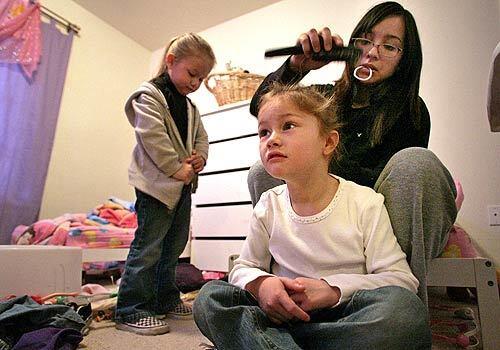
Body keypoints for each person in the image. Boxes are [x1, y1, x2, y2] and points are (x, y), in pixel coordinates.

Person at [247, 1, 457, 305]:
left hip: (368, 221)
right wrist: (296, 67)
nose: (372, 52)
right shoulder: (322, 99)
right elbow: (261, 107)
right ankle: (285, 296)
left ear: (404, 60)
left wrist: (321, 165)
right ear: (352, 44)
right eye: (365, 40)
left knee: (417, 164)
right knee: (260, 170)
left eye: (390, 46)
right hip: (316, 212)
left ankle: (399, 306)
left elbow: (389, 191)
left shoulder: (410, 112)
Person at [193, 83, 431, 349]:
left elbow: (402, 280)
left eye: (288, 126)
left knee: (405, 313)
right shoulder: (268, 205)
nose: (271, 139)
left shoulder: (364, 202)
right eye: (263, 131)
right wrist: (263, 285)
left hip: (344, 316)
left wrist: (332, 291)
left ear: (328, 142)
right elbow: (244, 267)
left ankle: (271, 344)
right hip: (279, 318)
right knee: (210, 297)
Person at [114, 33, 215, 336]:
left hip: (182, 187)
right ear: (171, 61)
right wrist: (175, 167)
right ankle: (131, 308)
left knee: (174, 246)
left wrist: (199, 159)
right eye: (192, 74)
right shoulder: (149, 96)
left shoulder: (190, 108)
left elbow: (201, 139)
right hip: (156, 186)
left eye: (202, 78)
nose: (196, 83)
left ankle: (164, 298)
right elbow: (152, 137)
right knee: (148, 248)